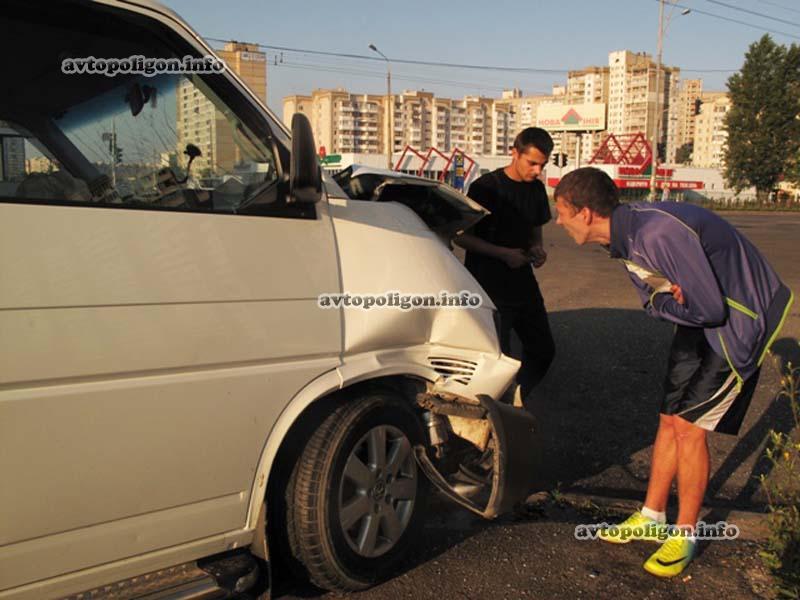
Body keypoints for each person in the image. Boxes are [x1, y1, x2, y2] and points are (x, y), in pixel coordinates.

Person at [553, 167, 793, 578]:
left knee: (689, 427)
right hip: (699, 318)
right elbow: (665, 295)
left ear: (587, 212)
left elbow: (707, 307)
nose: (558, 221)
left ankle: (686, 532)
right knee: (668, 419)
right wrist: (672, 297)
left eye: (562, 212)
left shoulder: (654, 235)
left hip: (739, 322)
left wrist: (668, 302)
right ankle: (652, 514)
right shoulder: (625, 236)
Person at [455, 127, 556, 401]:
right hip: (487, 285)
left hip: (523, 284)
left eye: (543, 165)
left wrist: (538, 250)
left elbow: (536, 233)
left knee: (543, 349)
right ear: (514, 153)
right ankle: (495, 415)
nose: (537, 171)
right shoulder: (485, 188)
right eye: (532, 163)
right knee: (499, 357)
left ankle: (518, 394)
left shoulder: (536, 190)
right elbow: (462, 238)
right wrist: (503, 253)